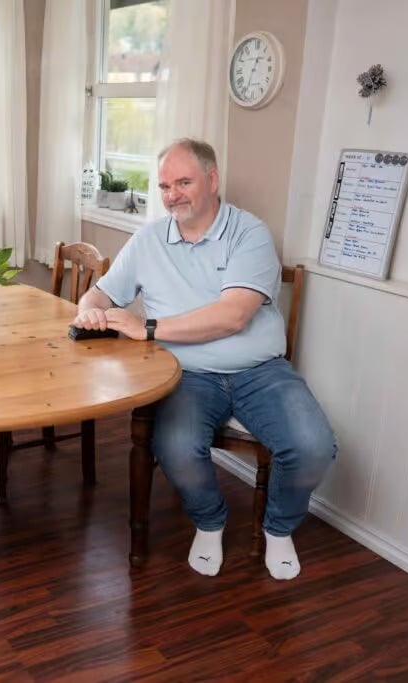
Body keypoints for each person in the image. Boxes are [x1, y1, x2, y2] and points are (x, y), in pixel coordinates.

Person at [73, 139, 336, 580]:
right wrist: (89, 307)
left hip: (261, 372)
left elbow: (233, 316)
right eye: (164, 185)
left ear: (212, 180)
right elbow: (101, 291)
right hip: (186, 373)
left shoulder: (250, 233)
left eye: (183, 182)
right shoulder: (148, 239)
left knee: (314, 448)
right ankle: (210, 522)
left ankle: (278, 528)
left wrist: (148, 328)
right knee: (174, 445)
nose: (172, 194)